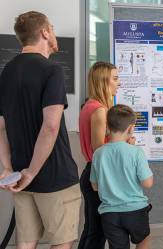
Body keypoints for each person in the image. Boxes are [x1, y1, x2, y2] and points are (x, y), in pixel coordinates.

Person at [0, 11, 81, 248]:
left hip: (21, 177)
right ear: (44, 32)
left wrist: (9, 168)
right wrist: (33, 172)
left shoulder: (6, 73)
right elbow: (51, 125)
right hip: (54, 177)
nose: (54, 33)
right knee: (61, 242)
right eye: (52, 28)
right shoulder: (52, 70)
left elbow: (1, 128)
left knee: (25, 242)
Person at [90, 104, 153, 249]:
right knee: (143, 240)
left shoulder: (98, 153)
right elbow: (147, 183)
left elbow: (94, 186)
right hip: (135, 211)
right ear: (131, 128)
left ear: (108, 127)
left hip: (110, 214)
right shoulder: (136, 152)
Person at [78, 61, 125, 249]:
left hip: (91, 174)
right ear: (103, 81)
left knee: (91, 230)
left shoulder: (89, 106)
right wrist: (124, 142)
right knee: (98, 233)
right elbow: (100, 151)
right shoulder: (99, 110)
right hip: (98, 175)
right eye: (115, 79)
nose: (118, 83)